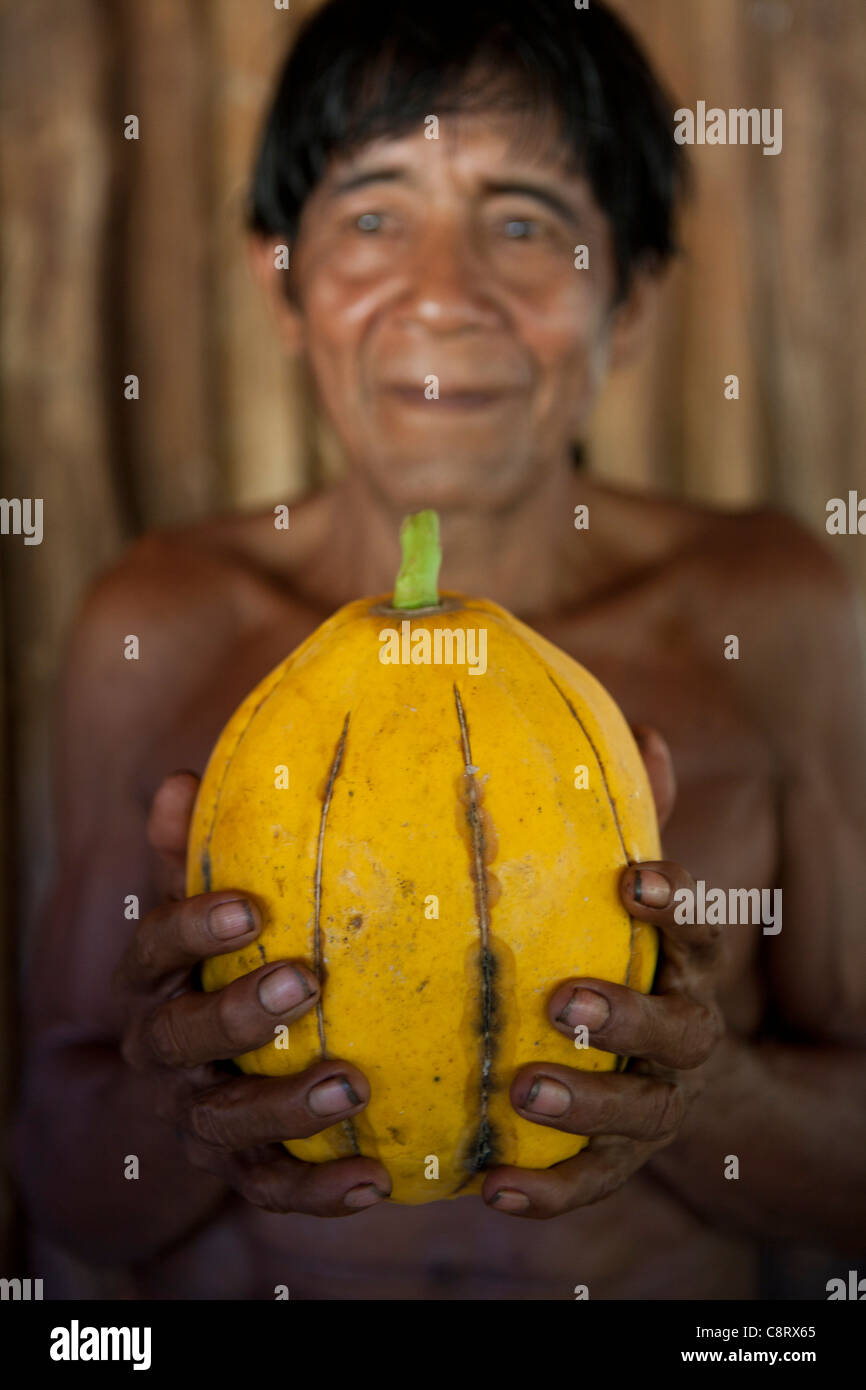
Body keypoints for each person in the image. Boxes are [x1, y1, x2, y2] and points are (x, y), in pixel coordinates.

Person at [12, 0, 866, 1300]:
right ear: (281, 284)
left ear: (628, 298)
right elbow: (67, 1180)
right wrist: (178, 1099)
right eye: (371, 215)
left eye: (524, 222)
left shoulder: (771, 613)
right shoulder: (158, 624)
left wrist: (702, 1087)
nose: (442, 294)